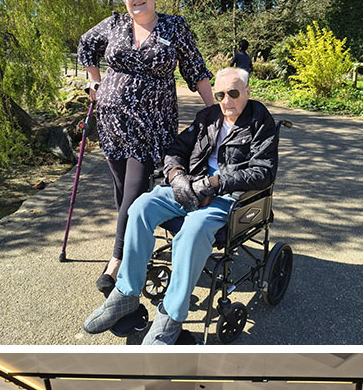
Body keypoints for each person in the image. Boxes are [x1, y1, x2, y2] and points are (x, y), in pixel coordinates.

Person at [83, 66, 278, 344]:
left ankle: (171, 318)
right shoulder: (208, 116)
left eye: (233, 93)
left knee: (193, 229)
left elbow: (264, 172)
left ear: (247, 91)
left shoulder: (260, 121)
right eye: (221, 93)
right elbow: (176, 149)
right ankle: (126, 293)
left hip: (227, 198)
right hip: (189, 188)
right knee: (140, 208)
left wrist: (214, 184)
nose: (226, 101)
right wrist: (176, 177)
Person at [78, 0, 215, 295]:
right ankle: (135, 242)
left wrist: (215, 110)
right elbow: (85, 44)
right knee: (122, 189)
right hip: (111, 122)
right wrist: (94, 80)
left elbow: (195, 69)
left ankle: (116, 260)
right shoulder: (114, 24)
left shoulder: (173, 26)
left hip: (151, 126)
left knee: (136, 192)